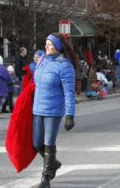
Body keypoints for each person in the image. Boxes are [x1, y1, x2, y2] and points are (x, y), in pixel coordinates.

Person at [33, 33, 78, 188]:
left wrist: (70, 115)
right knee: (37, 144)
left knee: (48, 143)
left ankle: (45, 178)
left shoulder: (64, 65)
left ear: (58, 47)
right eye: (46, 44)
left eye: (50, 45)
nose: (47, 47)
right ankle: (54, 163)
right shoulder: (43, 60)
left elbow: (69, 93)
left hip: (53, 110)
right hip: (38, 108)